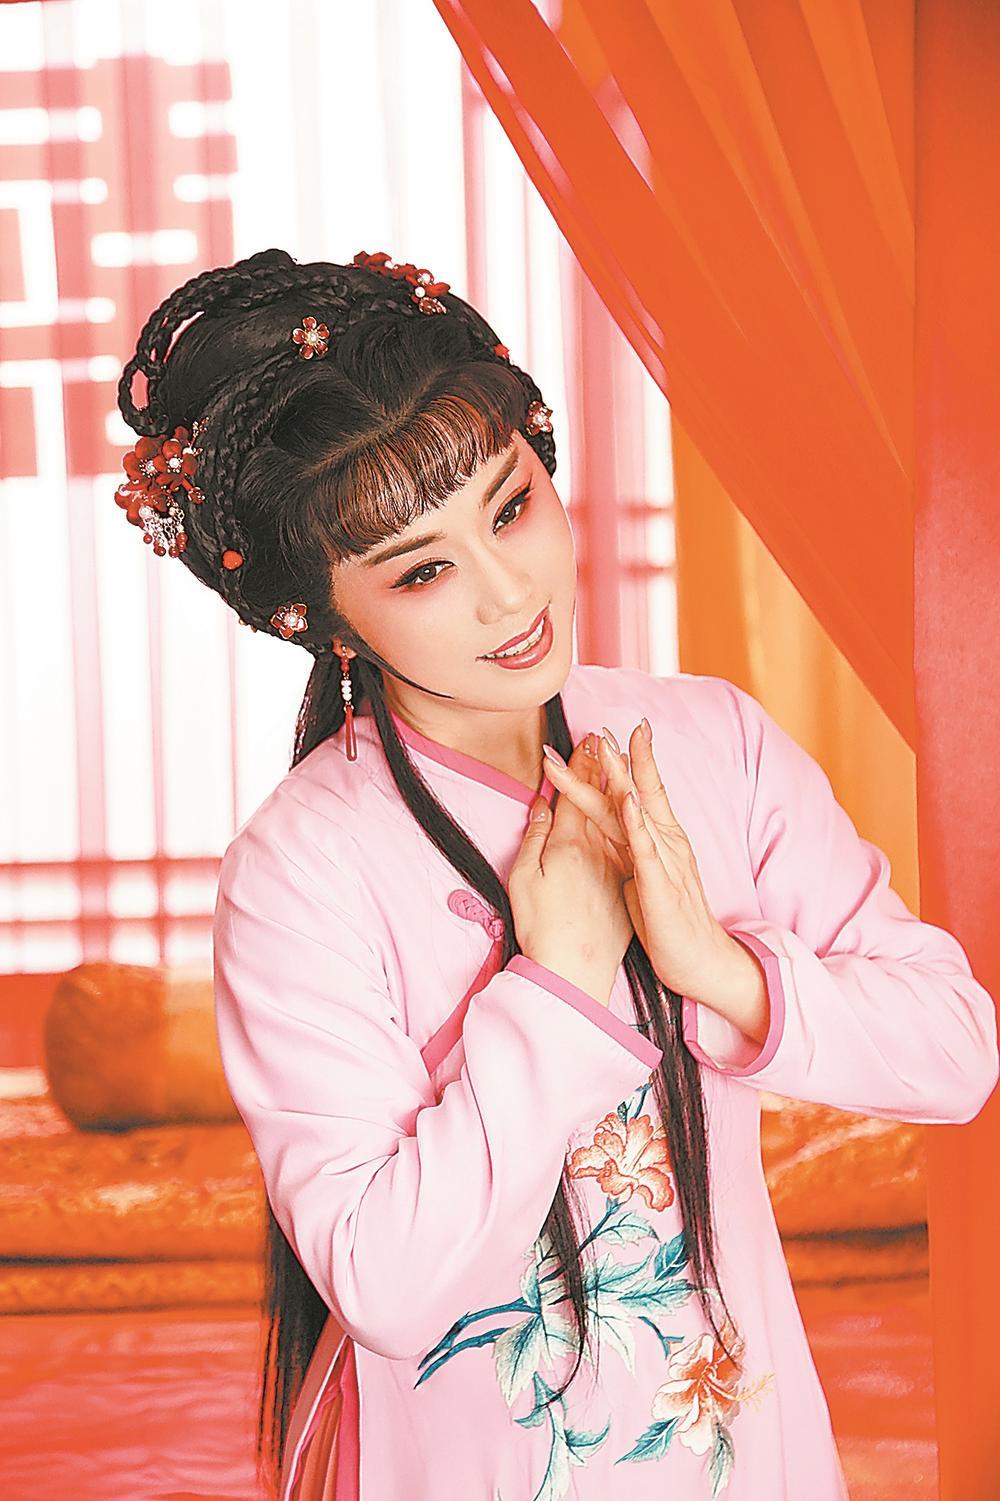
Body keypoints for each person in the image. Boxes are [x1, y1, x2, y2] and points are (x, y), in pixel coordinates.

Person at [115, 248, 998, 1501]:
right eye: (421, 570)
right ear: (325, 615)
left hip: (745, 1453)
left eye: (509, 507)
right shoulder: (300, 868)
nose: (507, 591)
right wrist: (563, 981)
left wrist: (718, 968)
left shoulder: (707, 740)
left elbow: (957, 1052)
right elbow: (385, 1284)